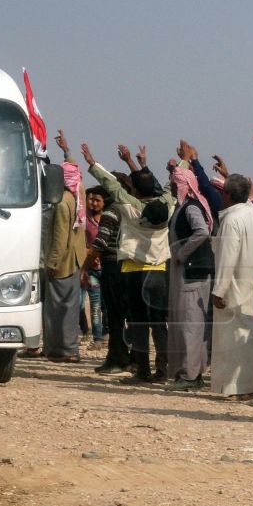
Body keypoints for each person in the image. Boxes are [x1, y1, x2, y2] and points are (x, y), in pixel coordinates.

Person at [81, 141, 175, 384]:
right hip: (159, 271)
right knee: (159, 325)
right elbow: (170, 187)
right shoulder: (167, 207)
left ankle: (142, 371)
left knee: (139, 325)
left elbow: (111, 185)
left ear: (135, 188)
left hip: (133, 271)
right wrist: (182, 163)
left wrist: (92, 162)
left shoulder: (128, 206)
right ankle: (163, 372)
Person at [210, 174, 253, 400]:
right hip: (252, 283)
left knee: (232, 339)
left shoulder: (232, 220)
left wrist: (218, 290)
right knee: (249, 339)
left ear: (227, 194)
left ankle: (237, 388)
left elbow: (227, 258)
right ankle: (251, 386)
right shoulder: (251, 211)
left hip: (235, 286)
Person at [164, 161, 215, 390]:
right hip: (186, 271)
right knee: (189, 322)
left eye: (175, 185)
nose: (173, 188)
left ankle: (191, 374)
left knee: (191, 324)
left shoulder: (192, 207)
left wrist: (182, 254)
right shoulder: (184, 207)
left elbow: (202, 232)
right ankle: (190, 372)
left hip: (192, 272)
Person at [43, 132, 88, 362]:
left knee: (56, 311)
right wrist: (67, 150)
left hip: (62, 262)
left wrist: (50, 263)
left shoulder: (61, 204)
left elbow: (59, 238)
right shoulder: (79, 195)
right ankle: (69, 349)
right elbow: (74, 169)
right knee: (70, 309)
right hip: (76, 259)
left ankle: (61, 350)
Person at [88, 178, 130, 374]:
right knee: (124, 315)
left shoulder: (111, 211)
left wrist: (85, 267)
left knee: (114, 316)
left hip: (112, 265)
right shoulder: (129, 207)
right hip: (126, 265)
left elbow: (100, 243)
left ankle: (117, 359)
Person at [81, 187, 108, 350]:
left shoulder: (109, 219)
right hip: (92, 269)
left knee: (107, 305)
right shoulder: (85, 220)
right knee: (95, 305)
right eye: (92, 200)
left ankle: (108, 333)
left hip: (108, 268)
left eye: (98, 200)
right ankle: (97, 338)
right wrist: (89, 253)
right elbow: (81, 243)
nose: (94, 203)